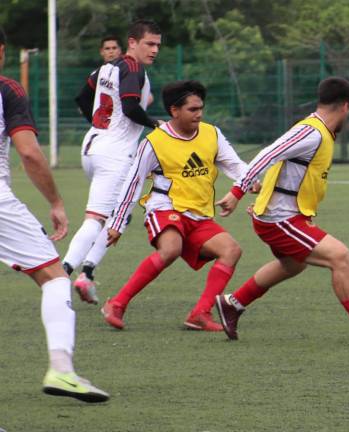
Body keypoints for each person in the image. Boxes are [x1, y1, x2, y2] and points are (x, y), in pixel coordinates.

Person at [214, 77, 349, 347]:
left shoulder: (319, 131)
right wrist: (236, 192)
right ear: (346, 106)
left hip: (284, 215)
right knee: (340, 257)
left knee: (293, 264)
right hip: (280, 219)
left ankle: (233, 303)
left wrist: (262, 188)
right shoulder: (311, 131)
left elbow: (285, 168)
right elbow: (267, 155)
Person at [0, 26, 109, 402]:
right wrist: (57, 203)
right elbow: (29, 153)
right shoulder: (7, 89)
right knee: (54, 278)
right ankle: (62, 370)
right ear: (1, 51)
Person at [101, 80, 249, 332]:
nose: (199, 114)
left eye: (201, 108)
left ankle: (200, 314)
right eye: (192, 109)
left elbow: (236, 166)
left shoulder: (211, 133)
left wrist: (250, 182)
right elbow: (132, 183)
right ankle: (117, 303)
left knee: (231, 250)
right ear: (174, 110)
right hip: (164, 207)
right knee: (171, 249)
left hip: (199, 214)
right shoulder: (154, 143)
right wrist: (117, 223)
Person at [64, 20, 162, 305]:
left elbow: (83, 97)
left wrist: (98, 127)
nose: (155, 50)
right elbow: (131, 107)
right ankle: (62, 275)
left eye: (158, 45)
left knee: (120, 214)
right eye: (150, 44)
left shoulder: (106, 68)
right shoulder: (132, 67)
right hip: (115, 154)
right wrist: (157, 123)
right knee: (98, 219)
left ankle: (88, 274)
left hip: (93, 147)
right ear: (132, 42)